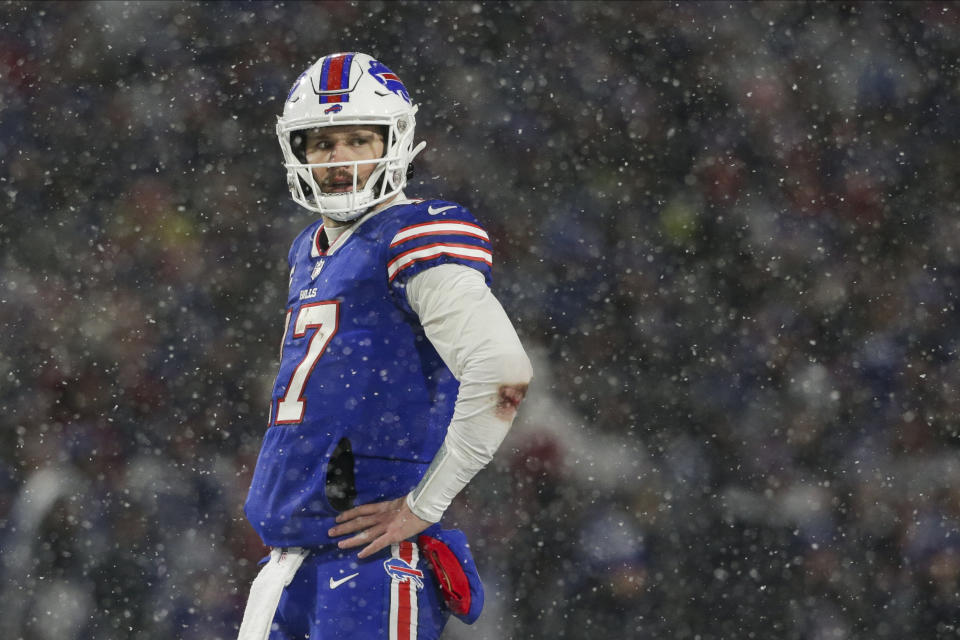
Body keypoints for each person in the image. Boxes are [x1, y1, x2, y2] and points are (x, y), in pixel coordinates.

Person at [237, 52, 533, 640]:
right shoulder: (310, 249)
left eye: (357, 139)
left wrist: (424, 506)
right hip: (295, 561)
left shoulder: (414, 231)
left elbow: (501, 372)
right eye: (321, 143)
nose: (339, 159)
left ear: (395, 141)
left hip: (366, 563)